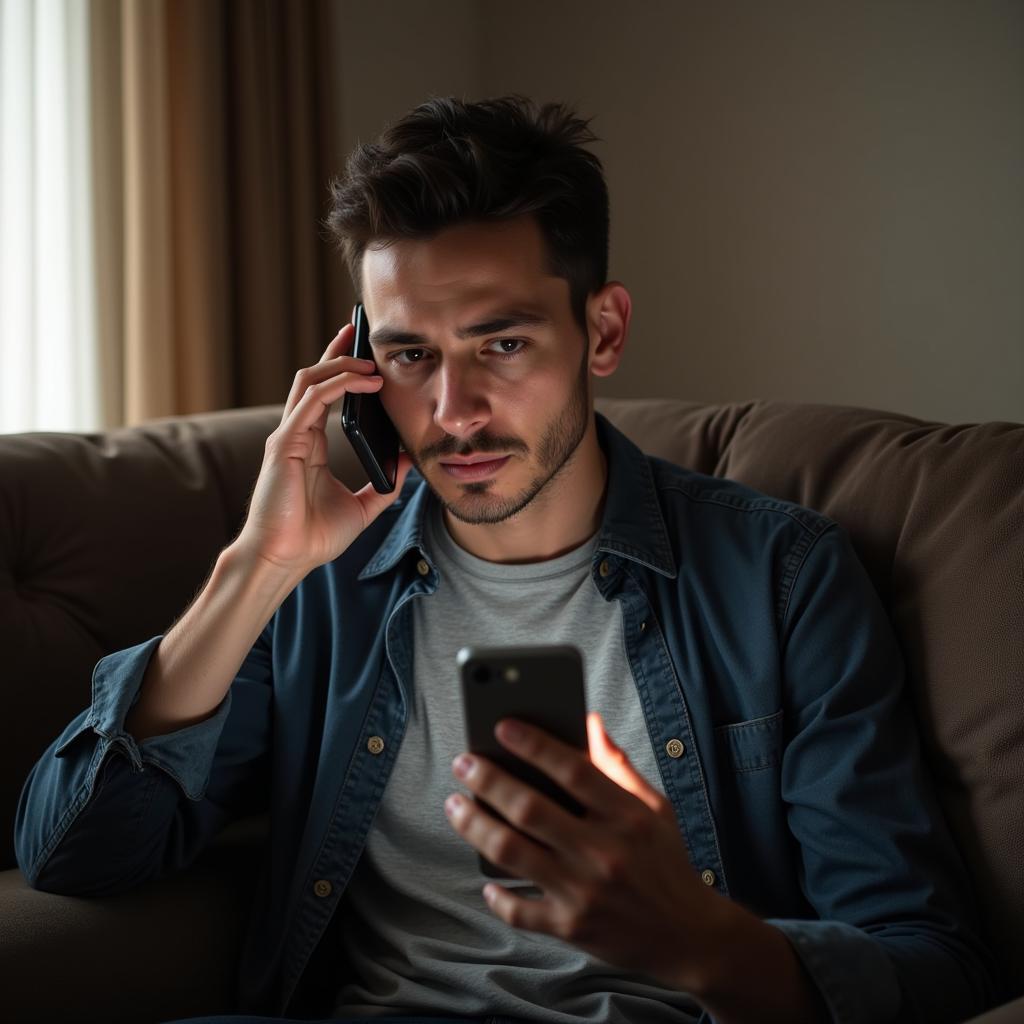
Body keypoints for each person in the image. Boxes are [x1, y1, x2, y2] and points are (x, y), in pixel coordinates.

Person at [15, 95, 995, 1024]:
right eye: (409, 356)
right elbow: (75, 853)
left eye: (503, 344)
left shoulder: (782, 579)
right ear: (358, 365)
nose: (454, 411)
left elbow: (928, 956)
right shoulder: (321, 586)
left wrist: (698, 939)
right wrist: (255, 568)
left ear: (601, 329)